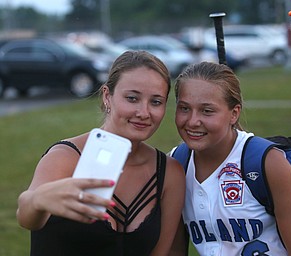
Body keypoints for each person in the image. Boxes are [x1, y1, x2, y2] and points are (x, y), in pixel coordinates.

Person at [16, 50, 186, 256]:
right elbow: (26, 216)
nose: (144, 112)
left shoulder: (169, 173)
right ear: (107, 96)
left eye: (156, 102)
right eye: (132, 98)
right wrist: (37, 201)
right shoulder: (65, 157)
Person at [169, 62, 291, 255]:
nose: (193, 121)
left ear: (234, 113)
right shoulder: (175, 164)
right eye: (184, 108)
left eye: (207, 111)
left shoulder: (267, 162)